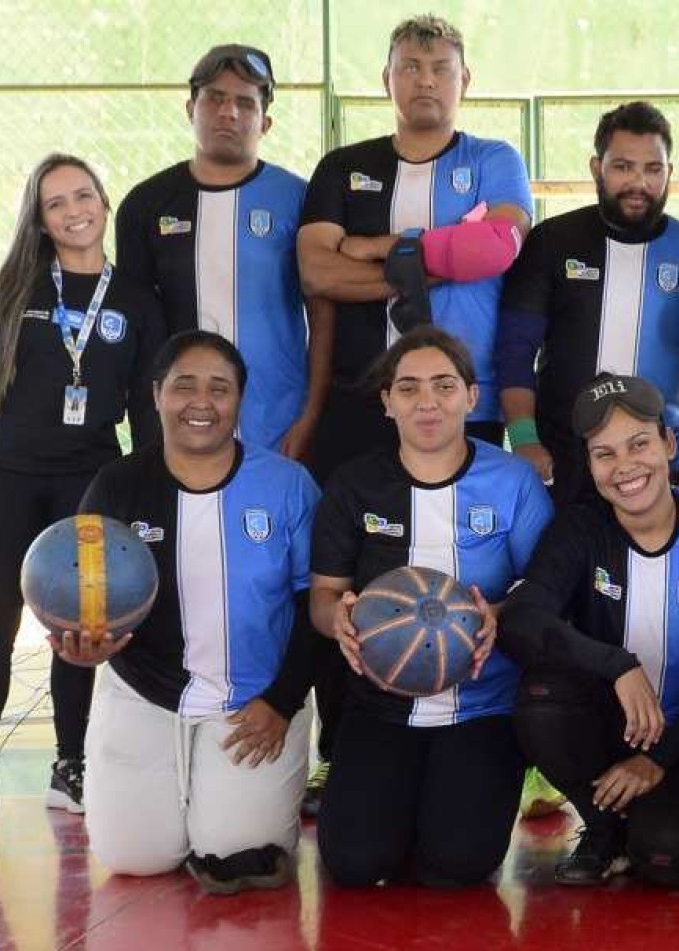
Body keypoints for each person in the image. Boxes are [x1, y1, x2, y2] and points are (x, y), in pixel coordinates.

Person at [296, 14, 535, 807]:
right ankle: (346, 746)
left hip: (463, 411)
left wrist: (384, 248)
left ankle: (498, 738)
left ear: (466, 80)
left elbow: (499, 247)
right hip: (366, 410)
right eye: (410, 65)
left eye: (441, 65)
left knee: (480, 575)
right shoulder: (345, 166)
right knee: (349, 584)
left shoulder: (495, 158)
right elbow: (315, 269)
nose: (425, 78)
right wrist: (436, 257)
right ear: (386, 79)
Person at [0, 153, 164, 832]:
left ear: (104, 202)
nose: (75, 210)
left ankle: (69, 764)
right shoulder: (16, 287)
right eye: (56, 203)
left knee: (78, 629)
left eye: (84, 195)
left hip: (88, 477)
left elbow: (145, 410)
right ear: (40, 220)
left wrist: (151, 486)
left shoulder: (134, 300)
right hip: (3, 475)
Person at [60, 332, 321, 893]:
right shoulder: (118, 485)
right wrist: (81, 643)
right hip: (144, 692)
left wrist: (281, 702)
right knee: (136, 858)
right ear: (156, 395)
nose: (201, 402)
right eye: (184, 386)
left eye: (219, 388)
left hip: (252, 704)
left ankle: (223, 806)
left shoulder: (288, 486)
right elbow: (78, 596)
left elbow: (315, 608)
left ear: (239, 401)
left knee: (231, 853)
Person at [309, 325, 552, 887]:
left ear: (471, 396)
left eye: (444, 386)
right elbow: (324, 595)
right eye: (409, 388)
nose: (427, 402)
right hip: (379, 702)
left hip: (482, 703)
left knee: (459, 863)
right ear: (386, 402)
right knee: (355, 862)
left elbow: (543, 591)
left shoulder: (513, 482)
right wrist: (339, 621)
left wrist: (497, 612)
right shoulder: (354, 486)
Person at [499, 373, 679, 887]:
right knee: (541, 696)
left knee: (670, 860)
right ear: (590, 464)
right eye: (605, 453)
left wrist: (657, 759)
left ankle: (639, 821)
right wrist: (617, 665)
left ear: (669, 442)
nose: (625, 467)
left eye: (639, 443)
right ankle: (601, 825)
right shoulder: (581, 528)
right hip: (604, 726)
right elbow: (523, 617)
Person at [495, 101, 679, 505]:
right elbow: (516, 349)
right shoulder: (552, 242)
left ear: (669, 173)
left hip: (662, 463)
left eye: (652, 169)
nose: (638, 182)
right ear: (596, 168)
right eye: (623, 167)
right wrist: (524, 440)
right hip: (564, 459)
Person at [115, 43, 331, 462]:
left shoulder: (301, 200)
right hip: (180, 423)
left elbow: (323, 317)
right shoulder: (146, 204)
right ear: (190, 108)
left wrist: (311, 414)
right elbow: (135, 327)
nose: (228, 112)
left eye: (244, 103)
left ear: (265, 122)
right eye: (214, 98)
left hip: (277, 422)